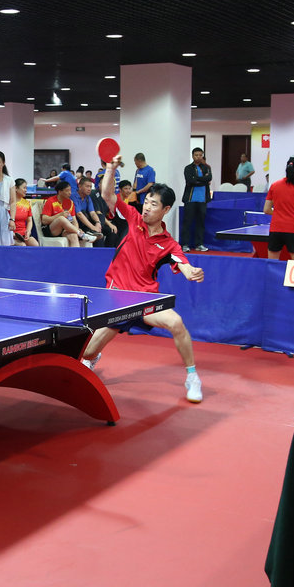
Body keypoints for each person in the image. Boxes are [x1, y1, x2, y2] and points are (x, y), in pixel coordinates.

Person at [80, 156, 206, 402]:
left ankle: (192, 376)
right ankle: (93, 357)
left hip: (144, 300)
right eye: (146, 201)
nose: (147, 207)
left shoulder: (168, 244)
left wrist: (191, 271)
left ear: (166, 210)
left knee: (176, 323)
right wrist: (110, 169)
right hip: (117, 298)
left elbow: (183, 263)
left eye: (153, 204)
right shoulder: (132, 218)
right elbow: (107, 195)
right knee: (86, 352)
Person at [183, 148, 214, 252]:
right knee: (187, 222)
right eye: (196, 155)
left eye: (200, 155)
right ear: (193, 156)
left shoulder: (206, 168)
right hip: (190, 199)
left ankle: (199, 244)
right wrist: (202, 180)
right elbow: (190, 180)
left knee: (200, 223)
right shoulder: (188, 168)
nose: (198, 157)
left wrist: (196, 178)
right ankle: (185, 245)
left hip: (202, 200)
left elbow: (209, 178)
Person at [42, 180, 83, 247]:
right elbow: (44, 220)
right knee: (61, 218)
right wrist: (59, 215)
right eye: (67, 191)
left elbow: (74, 221)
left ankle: (75, 254)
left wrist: (75, 229)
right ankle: (81, 234)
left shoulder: (71, 202)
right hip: (53, 230)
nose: (70, 193)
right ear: (60, 192)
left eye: (70, 190)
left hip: (65, 230)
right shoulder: (50, 201)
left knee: (74, 236)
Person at [11, 179, 40, 245]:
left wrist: (28, 231)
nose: (26, 190)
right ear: (16, 188)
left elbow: (29, 221)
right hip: (11, 234)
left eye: (26, 188)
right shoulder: (9, 203)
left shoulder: (26, 203)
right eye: (24, 188)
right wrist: (12, 234)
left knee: (35, 244)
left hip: (24, 234)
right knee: (22, 245)